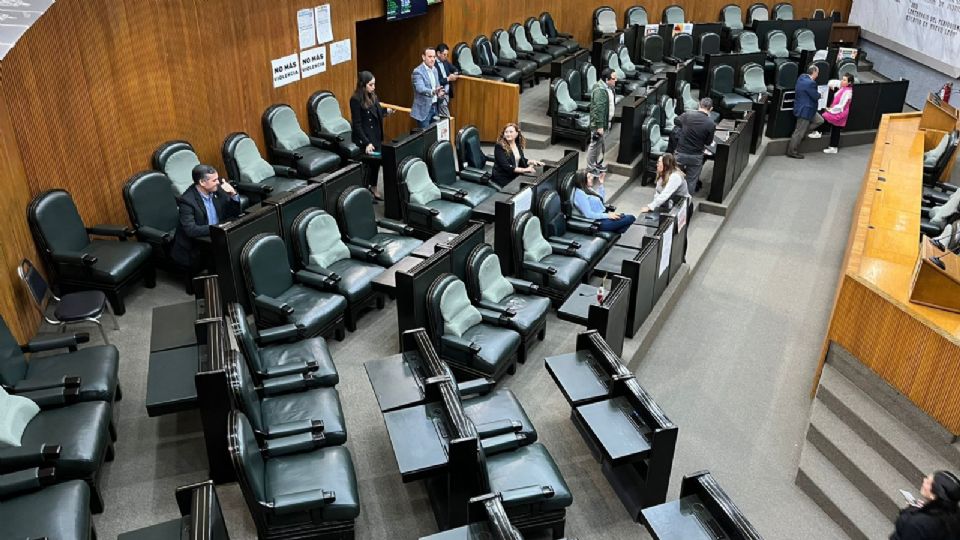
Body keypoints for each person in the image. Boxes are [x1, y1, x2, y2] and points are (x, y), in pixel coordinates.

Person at [171, 164, 241, 273]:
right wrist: (217, 228)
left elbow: (234, 215)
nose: (218, 182)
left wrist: (233, 195)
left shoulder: (218, 190)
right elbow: (191, 230)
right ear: (202, 182)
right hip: (197, 245)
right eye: (214, 180)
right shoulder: (187, 201)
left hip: (216, 237)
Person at [350, 70, 394, 201]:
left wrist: (387, 111)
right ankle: (364, 191)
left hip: (376, 135)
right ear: (363, 85)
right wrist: (366, 142)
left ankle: (374, 187)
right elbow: (357, 124)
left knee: (376, 165)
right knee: (368, 166)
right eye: (371, 85)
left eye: (374, 84)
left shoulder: (373, 95)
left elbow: (378, 110)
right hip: (365, 138)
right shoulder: (355, 99)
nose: (373, 87)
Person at [891, 471, 960, 540]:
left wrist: (910, 511)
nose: (924, 480)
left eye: (928, 482)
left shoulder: (918, 523)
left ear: (934, 495)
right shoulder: (953, 514)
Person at [674, 97, 717, 195]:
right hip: (696, 156)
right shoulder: (711, 124)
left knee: (675, 177)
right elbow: (708, 143)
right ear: (711, 109)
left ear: (699, 105)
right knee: (691, 181)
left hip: (681, 153)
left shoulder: (687, 115)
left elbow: (676, 121)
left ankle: (673, 199)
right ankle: (685, 203)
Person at [571, 170, 635, 233]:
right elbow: (589, 214)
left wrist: (601, 183)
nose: (592, 178)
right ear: (582, 180)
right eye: (588, 177)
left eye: (591, 176)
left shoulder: (587, 189)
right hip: (599, 222)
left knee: (626, 228)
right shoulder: (580, 195)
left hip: (604, 217)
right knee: (631, 218)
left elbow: (600, 201)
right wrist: (608, 215)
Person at [787, 65, 824, 159]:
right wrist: (821, 95)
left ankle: (803, 133)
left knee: (819, 120)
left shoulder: (802, 78)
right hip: (806, 110)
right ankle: (792, 151)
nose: (818, 75)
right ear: (814, 72)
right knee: (798, 132)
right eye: (817, 73)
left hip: (805, 108)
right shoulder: (811, 83)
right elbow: (815, 96)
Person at [587, 68, 617, 180]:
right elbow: (598, 110)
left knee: (598, 145)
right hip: (599, 125)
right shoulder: (600, 90)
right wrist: (599, 126)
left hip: (604, 123)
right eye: (614, 78)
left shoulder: (608, 87)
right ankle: (590, 169)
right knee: (594, 145)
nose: (616, 80)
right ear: (606, 79)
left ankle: (595, 165)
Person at [491, 123, 543, 188]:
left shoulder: (517, 144)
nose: (508, 134)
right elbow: (507, 167)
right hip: (503, 176)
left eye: (511, 132)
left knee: (534, 181)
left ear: (516, 133)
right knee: (523, 188)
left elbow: (520, 159)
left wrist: (531, 161)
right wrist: (525, 169)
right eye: (506, 132)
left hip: (514, 174)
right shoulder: (499, 146)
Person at [821, 72, 854, 154]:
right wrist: (830, 85)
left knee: (835, 129)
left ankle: (833, 147)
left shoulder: (848, 93)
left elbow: (841, 105)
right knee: (834, 127)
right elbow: (833, 82)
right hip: (836, 110)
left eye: (844, 80)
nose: (842, 81)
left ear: (849, 82)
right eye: (842, 79)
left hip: (840, 112)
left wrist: (831, 110)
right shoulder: (843, 87)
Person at [411, 47, 443, 129]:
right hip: (424, 111)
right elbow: (420, 88)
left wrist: (440, 93)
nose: (432, 59)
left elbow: (437, 86)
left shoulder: (435, 70)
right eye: (430, 56)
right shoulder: (417, 72)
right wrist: (433, 92)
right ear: (423, 57)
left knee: (435, 135)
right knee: (426, 137)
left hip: (435, 107)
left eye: (434, 57)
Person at [435, 43, 460, 117]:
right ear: (438, 53)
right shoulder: (433, 65)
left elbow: (454, 68)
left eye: (447, 55)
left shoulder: (445, 62)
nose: (446, 57)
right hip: (440, 93)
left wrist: (455, 73)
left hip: (447, 93)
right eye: (444, 54)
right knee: (446, 117)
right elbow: (437, 81)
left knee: (443, 115)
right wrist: (449, 78)